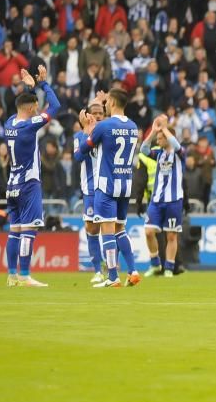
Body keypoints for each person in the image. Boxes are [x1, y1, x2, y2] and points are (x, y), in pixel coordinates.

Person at [2, 65, 60, 288]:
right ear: (31, 107)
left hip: (12, 185)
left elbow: (23, 106)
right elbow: (55, 106)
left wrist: (29, 88)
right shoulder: (29, 126)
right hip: (28, 183)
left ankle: (11, 275)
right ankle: (25, 275)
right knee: (29, 230)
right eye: (36, 106)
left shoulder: (10, 124)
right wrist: (42, 84)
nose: (39, 109)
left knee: (14, 230)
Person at [79, 88, 141, 288]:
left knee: (106, 231)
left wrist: (86, 130)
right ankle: (132, 271)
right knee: (120, 229)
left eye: (106, 103)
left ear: (112, 103)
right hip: (125, 184)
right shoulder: (133, 126)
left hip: (106, 185)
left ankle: (113, 277)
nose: (104, 106)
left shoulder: (104, 126)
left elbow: (82, 152)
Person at [141, 115, 184, 278]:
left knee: (171, 235)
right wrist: (153, 131)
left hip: (174, 200)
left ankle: (169, 268)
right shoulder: (158, 154)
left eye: (160, 138)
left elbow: (177, 145)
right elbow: (143, 150)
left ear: (168, 138)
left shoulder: (180, 154)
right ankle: (155, 264)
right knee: (149, 232)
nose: (157, 141)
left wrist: (165, 128)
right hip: (157, 200)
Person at [73, 97, 106, 284]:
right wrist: (87, 131)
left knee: (111, 227)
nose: (98, 116)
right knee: (92, 228)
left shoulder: (109, 133)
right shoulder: (79, 136)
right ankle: (97, 270)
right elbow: (78, 157)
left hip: (108, 188)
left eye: (101, 113)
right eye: (95, 113)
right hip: (91, 189)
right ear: (87, 116)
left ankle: (111, 267)